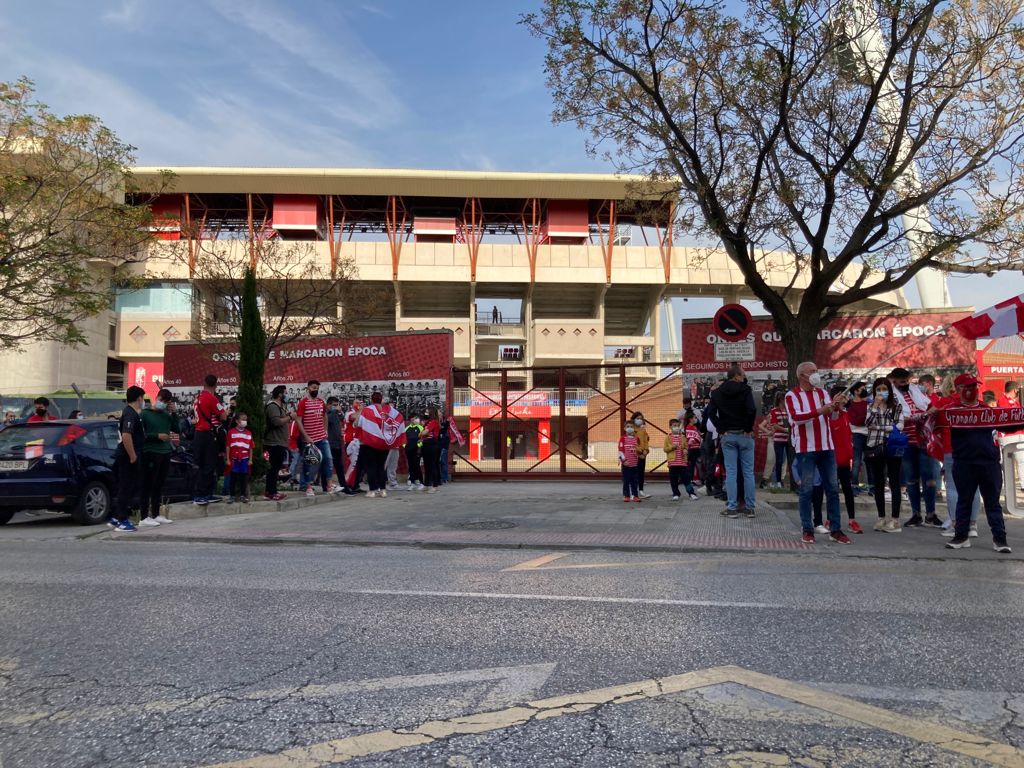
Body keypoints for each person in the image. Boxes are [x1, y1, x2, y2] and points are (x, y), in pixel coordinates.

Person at [943, 375, 1017, 553]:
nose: (972, 390)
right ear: (959, 389)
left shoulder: (987, 410)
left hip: (988, 463)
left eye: (974, 386)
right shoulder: (950, 411)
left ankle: (1000, 539)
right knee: (964, 500)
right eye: (968, 387)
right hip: (964, 462)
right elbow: (932, 424)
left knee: (992, 502)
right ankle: (961, 536)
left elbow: (1008, 424)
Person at [785, 362, 852, 544]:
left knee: (832, 489)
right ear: (802, 375)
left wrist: (836, 407)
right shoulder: (792, 395)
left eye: (816, 371)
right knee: (806, 490)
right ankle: (807, 529)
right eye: (812, 371)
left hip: (827, 446)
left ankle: (835, 529)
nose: (816, 374)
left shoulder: (823, 393)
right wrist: (820, 410)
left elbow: (833, 418)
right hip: (806, 449)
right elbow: (796, 419)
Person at [889, 368, 943, 528]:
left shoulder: (917, 392)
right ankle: (916, 514)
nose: (905, 384)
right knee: (911, 479)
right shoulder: (891, 397)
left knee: (930, 479)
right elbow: (896, 418)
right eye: (901, 382)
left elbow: (930, 408)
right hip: (906, 441)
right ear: (894, 381)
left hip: (924, 440)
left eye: (906, 381)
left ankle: (931, 514)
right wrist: (917, 417)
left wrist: (928, 414)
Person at [705, 364, 757, 519]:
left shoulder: (717, 392)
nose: (744, 376)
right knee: (748, 473)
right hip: (744, 435)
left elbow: (711, 413)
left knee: (731, 473)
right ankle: (749, 508)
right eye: (743, 374)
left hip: (728, 436)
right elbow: (752, 410)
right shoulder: (745, 390)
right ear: (736, 376)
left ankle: (732, 507)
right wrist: (748, 428)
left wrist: (721, 429)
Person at [934, 374, 981, 538]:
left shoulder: (945, 404)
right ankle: (972, 525)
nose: (974, 389)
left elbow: (930, 419)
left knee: (953, 487)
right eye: (972, 386)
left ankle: (956, 524)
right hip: (973, 450)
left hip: (952, 449)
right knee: (973, 487)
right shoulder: (979, 404)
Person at [865, 377, 905, 532]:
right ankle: (881, 517)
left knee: (894, 482)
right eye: (878, 389)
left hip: (892, 446)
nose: (881, 392)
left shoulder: (896, 405)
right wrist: (875, 406)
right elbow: (868, 423)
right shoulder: (871, 406)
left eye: (884, 389)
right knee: (878, 483)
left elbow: (899, 425)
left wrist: (880, 427)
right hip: (875, 445)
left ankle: (895, 519)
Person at [109, 385, 147, 532]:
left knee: (129, 487)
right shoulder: (130, 413)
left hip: (129, 455)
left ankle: (116, 517)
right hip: (127, 457)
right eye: (142, 398)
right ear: (139, 398)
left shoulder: (131, 413)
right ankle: (122, 520)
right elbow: (126, 435)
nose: (143, 401)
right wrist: (132, 455)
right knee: (126, 487)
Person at [138, 389, 178, 527]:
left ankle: (156, 514)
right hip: (150, 452)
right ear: (157, 397)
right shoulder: (145, 414)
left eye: (166, 402)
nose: (163, 404)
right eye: (162, 400)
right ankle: (144, 516)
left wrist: (174, 413)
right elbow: (140, 435)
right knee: (148, 484)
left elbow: (178, 429)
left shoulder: (166, 415)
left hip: (165, 452)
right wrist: (157, 436)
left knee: (159, 484)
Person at [296, 380, 341, 498]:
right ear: (308, 388)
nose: (315, 390)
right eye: (313, 387)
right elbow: (298, 421)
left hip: (321, 437)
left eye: (317, 388)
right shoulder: (303, 403)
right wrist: (306, 436)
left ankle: (329, 486)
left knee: (328, 459)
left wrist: (325, 431)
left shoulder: (321, 402)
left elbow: (325, 416)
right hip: (309, 440)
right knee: (310, 463)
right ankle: (309, 487)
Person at [828, 384, 861, 533]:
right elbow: (834, 415)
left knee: (848, 489)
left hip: (845, 459)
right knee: (832, 491)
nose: (845, 398)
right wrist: (835, 406)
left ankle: (852, 520)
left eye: (845, 395)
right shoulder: (832, 414)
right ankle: (830, 519)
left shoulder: (847, 414)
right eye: (842, 395)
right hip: (832, 459)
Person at [192, 374, 225, 506]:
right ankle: (202, 494)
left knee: (201, 464)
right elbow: (223, 416)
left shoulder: (197, 397)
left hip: (198, 434)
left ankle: (203, 494)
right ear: (216, 385)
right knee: (209, 465)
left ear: (204, 383)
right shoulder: (211, 398)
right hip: (208, 434)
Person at [263, 385, 291, 502]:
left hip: (280, 442)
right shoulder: (273, 406)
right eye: (285, 393)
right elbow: (276, 422)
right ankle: (271, 492)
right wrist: (289, 417)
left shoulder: (280, 406)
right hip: (273, 442)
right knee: (273, 469)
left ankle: (270, 491)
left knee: (275, 468)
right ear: (280, 394)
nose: (287, 395)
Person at [846, 382, 873, 494]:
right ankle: (854, 486)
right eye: (862, 389)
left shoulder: (868, 404)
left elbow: (870, 419)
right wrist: (864, 419)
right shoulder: (850, 405)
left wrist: (864, 419)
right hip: (857, 435)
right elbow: (855, 421)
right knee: (856, 462)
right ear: (856, 391)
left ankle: (872, 487)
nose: (864, 390)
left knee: (870, 462)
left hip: (868, 435)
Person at [664, 418, 698, 500]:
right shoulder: (668, 438)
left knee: (686, 479)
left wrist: (685, 450)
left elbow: (686, 447)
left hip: (682, 462)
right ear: (670, 427)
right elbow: (665, 449)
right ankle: (676, 494)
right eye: (674, 426)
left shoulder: (683, 437)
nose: (676, 427)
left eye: (678, 426)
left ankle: (691, 493)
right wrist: (672, 447)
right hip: (672, 463)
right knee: (674, 480)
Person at [764, 391, 791, 489]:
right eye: (785, 400)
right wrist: (786, 430)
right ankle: (778, 481)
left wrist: (789, 431)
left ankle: (793, 481)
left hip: (788, 440)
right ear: (781, 400)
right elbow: (774, 425)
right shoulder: (774, 411)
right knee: (779, 460)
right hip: (778, 439)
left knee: (790, 460)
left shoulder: (789, 411)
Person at [227, 413, 254, 503]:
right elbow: (228, 446)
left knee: (243, 478)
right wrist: (228, 459)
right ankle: (232, 496)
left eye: (246, 419)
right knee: (233, 477)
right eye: (243, 419)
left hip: (244, 459)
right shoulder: (231, 432)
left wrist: (250, 459)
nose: (244, 421)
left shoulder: (248, 433)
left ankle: (243, 495)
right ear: (237, 421)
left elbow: (251, 447)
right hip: (234, 459)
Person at [420, 408, 442, 493]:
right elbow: (421, 433)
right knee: (427, 466)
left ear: (431, 413)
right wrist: (422, 433)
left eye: (427, 412)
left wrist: (423, 433)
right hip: (425, 445)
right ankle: (426, 484)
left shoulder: (434, 422)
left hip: (432, 445)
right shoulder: (427, 422)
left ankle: (435, 486)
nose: (426, 413)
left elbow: (424, 432)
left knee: (432, 465)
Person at [630, 412, 652, 498]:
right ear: (633, 419)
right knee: (633, 473)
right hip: (634, 455)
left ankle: (641, 490)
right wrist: (638, 453)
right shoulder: (631, 430)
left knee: (641, 473)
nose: (640, 420)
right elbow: (632, 443)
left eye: (641, 419)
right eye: (638, 418)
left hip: (643, 454)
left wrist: (646, 450)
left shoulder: (643, 430)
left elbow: (646, 441)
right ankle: (633, 492)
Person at [619, 420, 641, 502]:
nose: (630, 428)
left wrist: (639, 451)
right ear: (624, 428)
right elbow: (620, 451)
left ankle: (635, 495)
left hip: (634, 464)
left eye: (631, 427)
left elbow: (639, 449)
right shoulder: (622, 438)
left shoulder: (636, 438)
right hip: (626, 464)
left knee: (634, 481)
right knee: (626, 481)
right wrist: (624, 460)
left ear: (634, 428)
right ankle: (626, 495)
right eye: (628, 427)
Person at [405, 414, 424, 490]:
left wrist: (419, 447)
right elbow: (404, 440)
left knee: (417, 466)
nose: (415, 420)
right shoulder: (407, 429)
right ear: (410, 420)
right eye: (413, 419)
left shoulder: (420, 428)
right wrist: (405, 446)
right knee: (411, 467)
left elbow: (422, 439)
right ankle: (412, 483)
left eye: (416, 418)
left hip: (417, 451)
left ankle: (421, 483)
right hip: (409, 451)